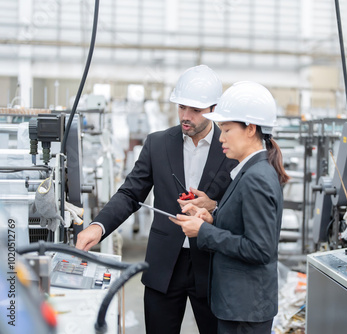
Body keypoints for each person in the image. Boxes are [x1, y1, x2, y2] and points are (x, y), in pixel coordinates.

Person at [75, 65, 237, 334]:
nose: (185, 116)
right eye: (181, 107)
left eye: (195, 110)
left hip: (213, 266)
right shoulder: (158, 144)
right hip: (165, 266)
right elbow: (130, 194)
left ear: (214, 108)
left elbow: (238, 204)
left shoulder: (231, 147)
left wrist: (215, 207)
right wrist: (98, 226)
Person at [171, 81, 289, 334]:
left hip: (244, 309)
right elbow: (245, 227)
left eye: (226, 130)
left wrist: (203, 231)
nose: (221, 138)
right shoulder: (250, 171)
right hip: (239, 306)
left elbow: (259, 249)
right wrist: (212, 219)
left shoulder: (256, 177)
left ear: (250, 129)